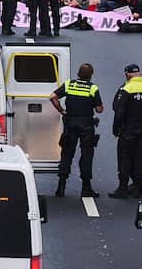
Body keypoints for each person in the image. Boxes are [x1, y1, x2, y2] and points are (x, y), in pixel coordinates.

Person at [49, 63, 104, 198]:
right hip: (86, 124)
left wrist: (61, 110)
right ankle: (86, 188)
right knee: (86, 155)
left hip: (70, 123)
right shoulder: (93, 88)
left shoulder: (69, 85)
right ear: (91, 75)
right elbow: (99, 109)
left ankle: (61, 187)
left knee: (67, 154)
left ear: (78, 73)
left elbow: (52, 96)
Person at [109, 64, 142, 198]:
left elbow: (117, 109)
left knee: (124, 159)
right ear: (140, 74)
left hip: (128, 132)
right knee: (140, 160)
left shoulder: (127, 88)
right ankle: (138, 188)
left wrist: (116, 129)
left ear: (127, 74)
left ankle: (122, 189)